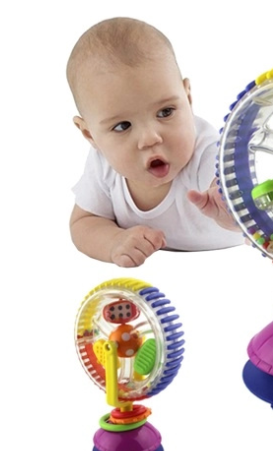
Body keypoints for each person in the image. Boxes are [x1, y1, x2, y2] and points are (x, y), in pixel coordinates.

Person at [67, 17, 243, 267]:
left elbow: (241, 200)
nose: (150, 138)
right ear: (90, 135)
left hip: (227, 262)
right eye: (122, 126)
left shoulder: (209, 152)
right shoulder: (102, 164)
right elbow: (83, 223)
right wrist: (114, 242)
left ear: (187, 98)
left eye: (165, 112)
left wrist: (233, 211)